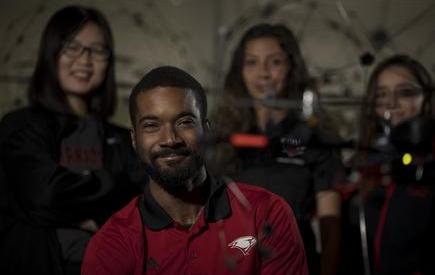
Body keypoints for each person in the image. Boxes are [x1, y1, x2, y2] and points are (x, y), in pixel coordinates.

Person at [81, 66, 308, 274]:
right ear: (134, 139)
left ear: (206, 131)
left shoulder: (267, 214)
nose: (170, 139)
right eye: (151, 125)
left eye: (185, 122)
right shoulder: (112, 244)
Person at [0, 5, 145, 275]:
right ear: (50, 54)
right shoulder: (20, 126)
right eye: (71, 46)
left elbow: (142, 208)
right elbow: (43, 196)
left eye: (97, 50)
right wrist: (110, 185)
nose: (84, 59)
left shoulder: (122, 139)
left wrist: (83, 209)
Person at [209, 23, 342, 275]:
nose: (263, 73)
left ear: (291, 67)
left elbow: (330, 223)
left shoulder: (315, 136)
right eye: (252, 62)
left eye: (274, 62)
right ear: (240, 71)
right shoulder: (223, 136)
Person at [339, 54, 435, 275]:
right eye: (381, 95)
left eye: (405, 93)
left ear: (426, 101)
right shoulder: (360, 169)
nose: (392, 103)